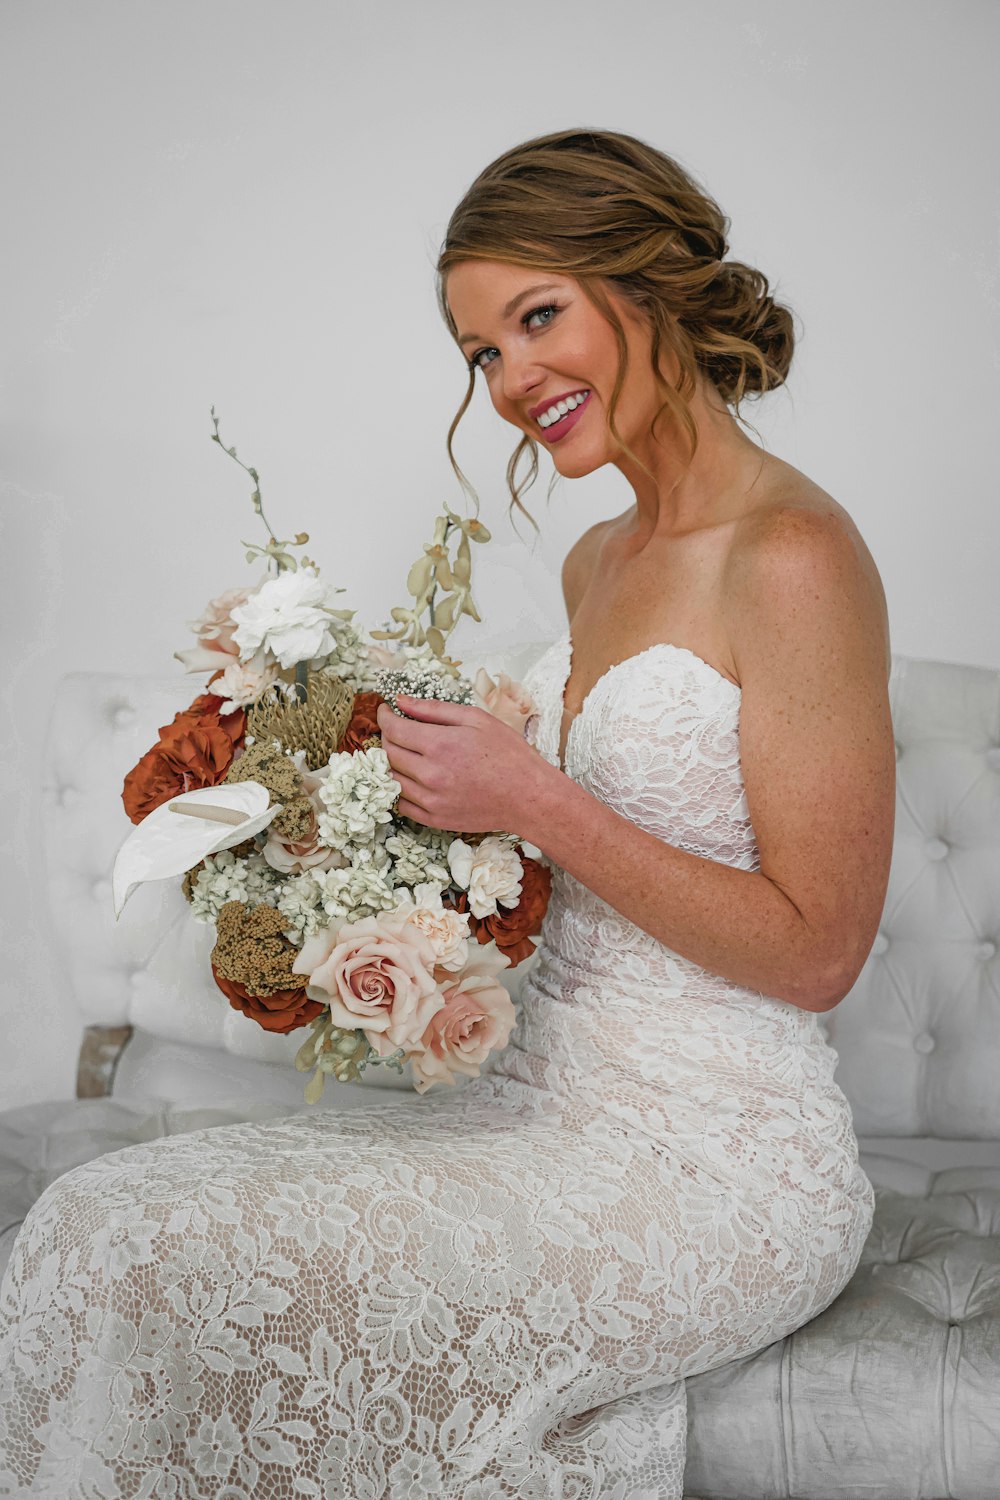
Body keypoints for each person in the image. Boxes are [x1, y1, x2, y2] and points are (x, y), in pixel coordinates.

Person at [0, 128, 892, 1499]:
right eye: (481, 353)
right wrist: (365, 848)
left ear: (646, 285)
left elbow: (820, 947)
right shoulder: (603, 555)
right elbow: (551, 853)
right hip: (534, 1108)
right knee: (93, 1224)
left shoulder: (795, 555)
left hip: (722, 1170)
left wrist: (533, 797)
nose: (512, 378)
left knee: (151, 1267)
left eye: (538, 317)